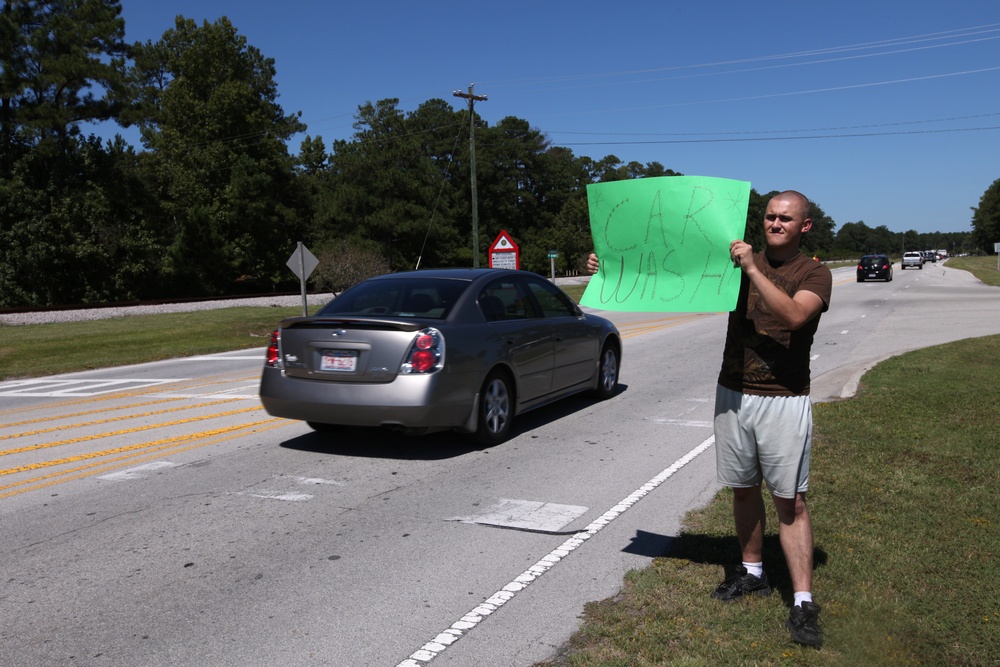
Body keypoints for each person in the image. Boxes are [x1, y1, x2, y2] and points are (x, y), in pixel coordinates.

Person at [586, 190, 831, 648]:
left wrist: (754, 270)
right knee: (742, 489)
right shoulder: (733, 260)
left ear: (805, 226)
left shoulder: (813, 273)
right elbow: (671, 270)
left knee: (790, 502)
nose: (775, 224)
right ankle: (753, 570)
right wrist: (613, 268)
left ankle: (801, 600)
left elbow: (796, 316)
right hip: (733, 392)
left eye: (785, 219)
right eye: (770, 217)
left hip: (783, 398)